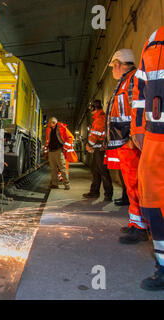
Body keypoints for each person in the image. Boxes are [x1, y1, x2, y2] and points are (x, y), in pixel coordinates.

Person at [131, 26, 164, 290]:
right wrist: (138, 128)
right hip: (155, 135)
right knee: (151, 201)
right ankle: (163, 266)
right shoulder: (154, 38)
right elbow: (140, 90)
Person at [105, 48, 148, 244]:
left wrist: (133, 135)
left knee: (136, 185)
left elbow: (137, 109)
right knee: (131, 186)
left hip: (130, 142)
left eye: (113, 66)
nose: (112, 71)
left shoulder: (132, 80)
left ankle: (140, 227)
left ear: (118, 64)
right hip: (124, 141)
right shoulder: (124, 82)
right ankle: (135, 223)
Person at [83, 100, 113, 201]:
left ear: (94, 108)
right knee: (95, 171)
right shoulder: (100, 118)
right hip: (98, 148)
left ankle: (108, 194)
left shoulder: (99, 119)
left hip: (100, 149)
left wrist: (88, 145)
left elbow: (94, 135)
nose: (90, 110)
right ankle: (94, 192)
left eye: (91, 108)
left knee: (103, 171)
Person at [44, 117, 77, 190]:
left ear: (53, 123)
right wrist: (46, 152)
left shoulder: (61, 127)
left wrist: (65, 148)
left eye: (49, 123)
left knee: (62, 168)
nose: (48, 124)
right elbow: (47, 140)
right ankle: (54, 184)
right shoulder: (49, 129)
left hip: (59, 151)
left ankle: (67, 184)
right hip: (51, 151)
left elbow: (70, 137)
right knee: (53, 169)